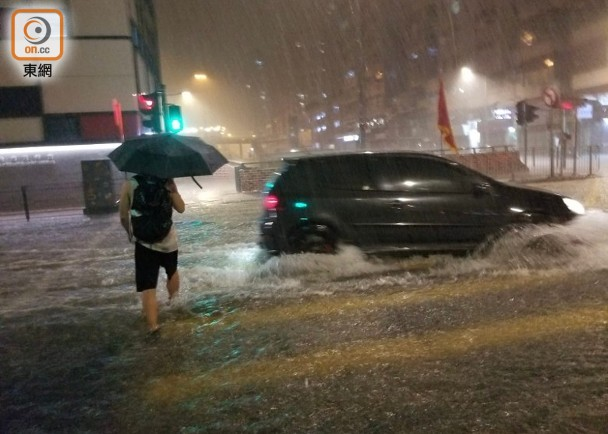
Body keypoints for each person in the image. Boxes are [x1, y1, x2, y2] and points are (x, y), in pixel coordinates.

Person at [119, 175, 186, 334]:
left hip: (144, 242)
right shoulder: (167, 181)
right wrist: (173, 190)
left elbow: (123, 215)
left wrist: (130, 232)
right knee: (172, 271)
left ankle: (153, 326)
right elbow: (181, 208)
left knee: (149, 286)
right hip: (168, 240)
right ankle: (173, 303)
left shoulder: (130, 185)